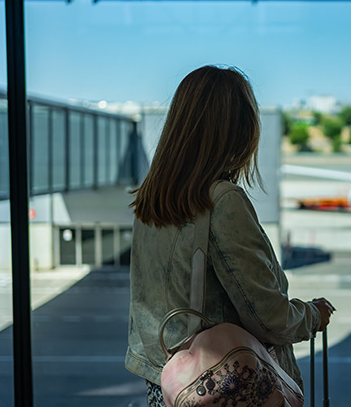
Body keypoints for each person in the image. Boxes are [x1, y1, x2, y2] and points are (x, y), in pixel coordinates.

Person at [124, 65, 335, 407]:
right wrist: (312, 315)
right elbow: (268, 315)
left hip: (167, 386)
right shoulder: (222, 201)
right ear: (239, 132)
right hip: (218, 385)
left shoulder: (151, 198)